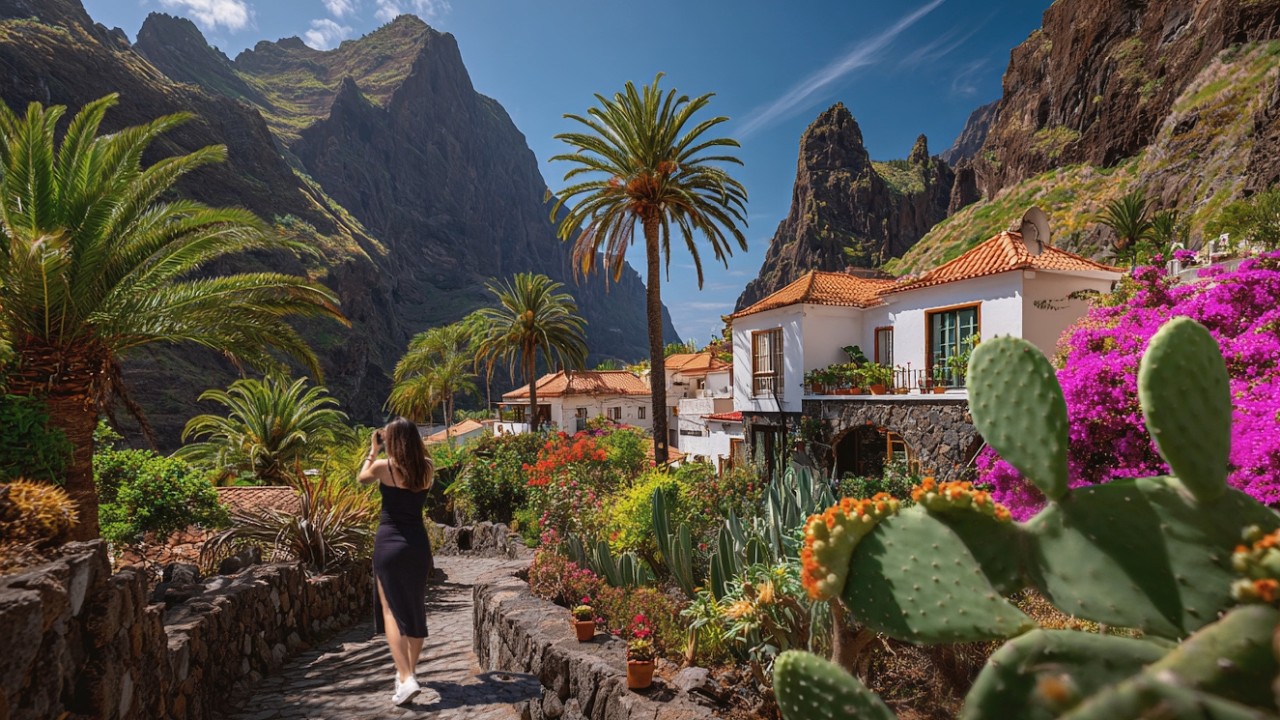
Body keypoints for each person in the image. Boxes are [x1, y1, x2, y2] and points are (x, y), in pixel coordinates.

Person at [358, 417, 435, 706]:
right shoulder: (427, 467)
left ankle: (406, 676)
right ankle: (408, 675)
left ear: (393, 440)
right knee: (415, 609)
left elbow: (362, 477)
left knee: (390, 611)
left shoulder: (384, 468)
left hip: (389, 543)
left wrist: (373, 450)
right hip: (417, 545)